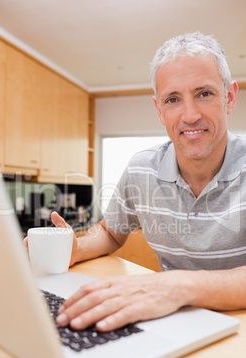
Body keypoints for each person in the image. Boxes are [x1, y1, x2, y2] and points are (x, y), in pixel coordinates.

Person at [25, 32, 246, 332]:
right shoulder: (141, 169)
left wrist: (176, 286)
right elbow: (111, 233)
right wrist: (76, 247)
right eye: (173, 99)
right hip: (171, 321)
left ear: (229, 97)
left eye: (204, 93)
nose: (190, 115)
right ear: (159, 110)